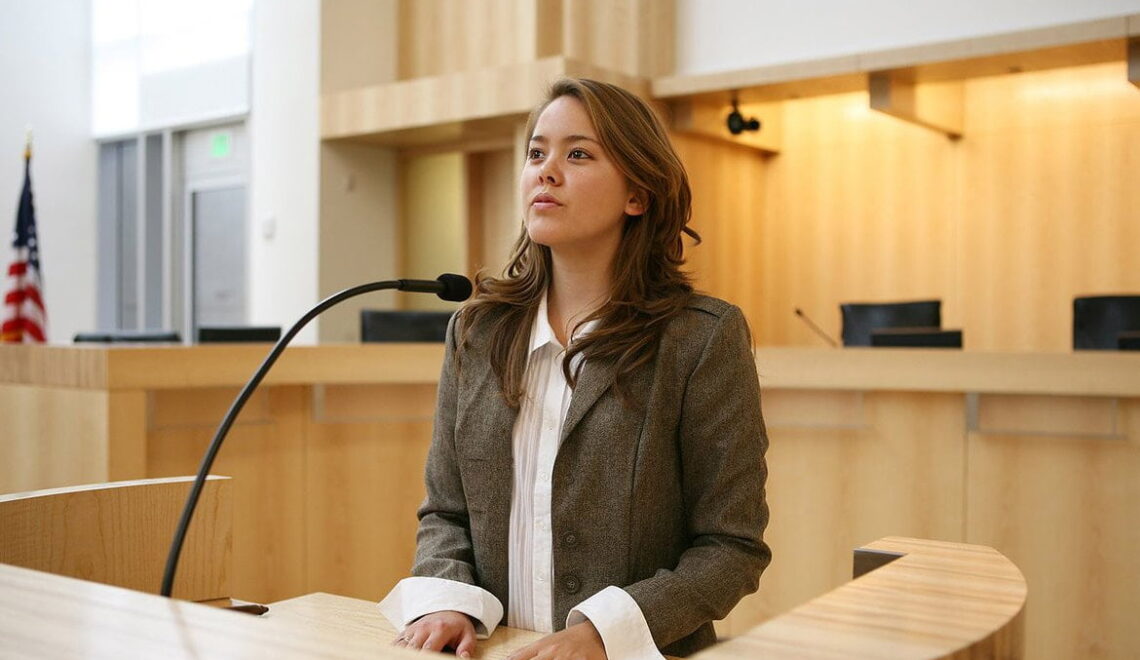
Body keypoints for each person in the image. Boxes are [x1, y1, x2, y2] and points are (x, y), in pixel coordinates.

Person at [378, 78, 769, 660]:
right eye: (536, 153)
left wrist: (603, 634)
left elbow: (731, 545)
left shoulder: (699, 338)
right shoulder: (477, 331)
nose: (547, 172)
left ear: (638, 194)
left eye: (578, 154)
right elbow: (446, 511)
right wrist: (446, 599)